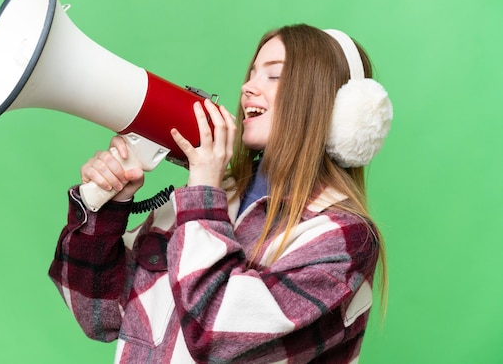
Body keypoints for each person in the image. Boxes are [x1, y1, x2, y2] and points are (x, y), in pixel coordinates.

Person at [48, 23, 393, 363]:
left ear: (329, 107)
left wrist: (202, 193)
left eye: (273, 76)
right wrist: (105, 205)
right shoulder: (203, 202)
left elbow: (213, 337)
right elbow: (98, 315)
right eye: (252, 73)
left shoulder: (344, 239)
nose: (247, 87)